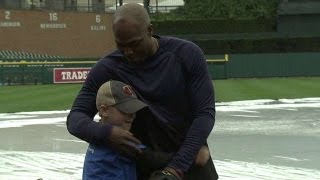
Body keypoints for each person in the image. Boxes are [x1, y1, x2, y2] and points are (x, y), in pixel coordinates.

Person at [66, 3, 218, 180]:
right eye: (121, 45)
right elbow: (75, 118)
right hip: (146, 171)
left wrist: (176, 168)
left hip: (191, 167)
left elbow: (205, 114)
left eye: (134, 44)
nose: (128, 51)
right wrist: (107, 134)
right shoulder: (108, 68)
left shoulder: (186, 55)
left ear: (150, 30)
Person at [82, 80, 212, 180]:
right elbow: (151, 159)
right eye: (125, 111)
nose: (132, 116)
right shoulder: (117, 138)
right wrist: (192, 156)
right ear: (104, 110)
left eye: (133, 111)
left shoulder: (98, 134)